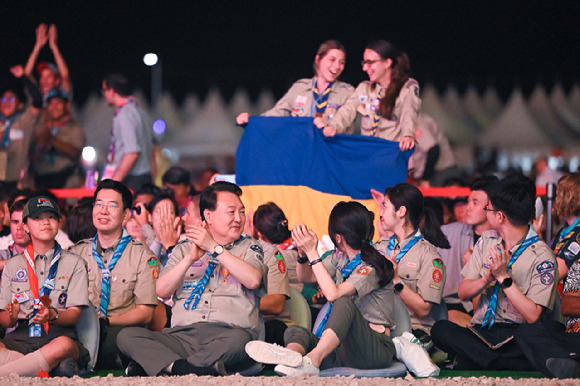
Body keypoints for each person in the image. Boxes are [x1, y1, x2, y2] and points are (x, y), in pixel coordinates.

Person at [117, 181, 266, 376]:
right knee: (127, 336)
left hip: (229, 334)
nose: (239, 218)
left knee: (242, 341)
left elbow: (253, 280)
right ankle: (192, 368)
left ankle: (165, 366)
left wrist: (214, 248)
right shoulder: (184, 248)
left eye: (241, 211)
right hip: (181, 338)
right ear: (208, 215)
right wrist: (189, 259)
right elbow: (161, 290)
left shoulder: (250, 247)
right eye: (231, 212)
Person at [246, 201, 396, 376]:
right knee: (295, 331)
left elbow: (333, 294)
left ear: (338, 237)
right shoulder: (339, 257)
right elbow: (307, 278)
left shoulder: (372, 265)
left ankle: (312, 361)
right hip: (342, 348)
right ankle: (291, 356)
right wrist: (303, 254)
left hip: (374, 350)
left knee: (343, 302)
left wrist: (313, 252)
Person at [431, 175, 558, 371]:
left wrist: (504, 278)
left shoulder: (541, 255)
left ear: (500, 216)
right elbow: (463, 292)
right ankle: (508, 363)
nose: (485, 212)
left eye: (487, 208)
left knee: (540, 335)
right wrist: (486, 278)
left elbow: (533, 316)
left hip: (519, 333)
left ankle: (476, 360)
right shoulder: (487, 240)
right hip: (483, 331)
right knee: (441, 330)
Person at [69, 179, 158, 370]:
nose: (103, 211)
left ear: (126, 214)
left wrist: (105, 321)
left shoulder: (142, 255)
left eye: (112, 206)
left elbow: (146, 313)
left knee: (124, 340)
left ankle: (77, 361)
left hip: (118, 329)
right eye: (99, 204)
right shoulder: (76, 253)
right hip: (81, 327)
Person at [0, 196, 89, 377]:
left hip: (58, 336)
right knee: (63, 367)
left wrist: (52, 315)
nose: (45, 222)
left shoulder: (75, 263)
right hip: (22, 336)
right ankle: (44, 369)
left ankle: (21, 370)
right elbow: (4, 320)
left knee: (64, 345)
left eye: (51, 217)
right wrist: (11, 316)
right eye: (38, 218)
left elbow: (74, 315)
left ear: (58, 222)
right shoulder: (12, 265)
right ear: (25, 226)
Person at [374, 183, 449, 338]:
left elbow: (423, 309)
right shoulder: (380, 248)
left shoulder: (429, 256)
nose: (380, 213)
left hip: (412, 332)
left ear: (401, 211)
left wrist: (396, 280)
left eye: (385, 207)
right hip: (378, 326)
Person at [318, 40, 420, 151]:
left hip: (390, 154)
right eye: (364, 63)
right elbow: (347, 110)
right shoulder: (364, 88)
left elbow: (408, 112)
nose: (365, 68)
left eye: (370, 62)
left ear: (387, 63)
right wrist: (333, 126)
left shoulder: (407, 87)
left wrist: (408, 135)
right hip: (367, 152)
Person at [236, 40, 353, 126]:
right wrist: (251, 122)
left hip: (329, 155)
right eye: (332, 60)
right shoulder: (300, 88)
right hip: (302, 152)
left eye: (342, 62)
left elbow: (345, 121)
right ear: (318, 60)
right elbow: (277, 114)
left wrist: (330, 125)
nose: (337, 66)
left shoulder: (347, 93)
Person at [437, 176, 499, 327]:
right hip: (452, 304)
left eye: (475, 202)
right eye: (468, 201)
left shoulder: (502, 240)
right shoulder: (447, 233)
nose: (467, 207)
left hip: (489, 309)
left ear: (491, 206)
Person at [101, 73, 152, 191]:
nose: (104, 94)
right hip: (144, 175)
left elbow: (132, 153)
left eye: (104, 90)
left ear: (112, 91)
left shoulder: (124, 114)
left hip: (132, 178)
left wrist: (112, 184)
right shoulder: (139, 111)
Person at [30, 88, 84, 189]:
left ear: (66, 105)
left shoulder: (75, 128)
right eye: (50, 104)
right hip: (41, 182)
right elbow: (30, 155)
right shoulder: (40, 127)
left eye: (58, 103)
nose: (54, 107)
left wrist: (51, 140)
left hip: (66, 181)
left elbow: (76, 153)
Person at [23, 24, 72, 101]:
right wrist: (38, 46)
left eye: (49, 77)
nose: (44, 80)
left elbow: (65, 76)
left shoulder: (61, 95)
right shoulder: (36, 95)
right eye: (42, 76)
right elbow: (27, 74)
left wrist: (54, 46)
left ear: (57, 81)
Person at [550, 172, 580, 282]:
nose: (555, 200)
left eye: (557, 195)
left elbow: (553, 275)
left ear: (569, 199)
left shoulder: (578, 234)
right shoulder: (566, 229)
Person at [0, 199, 31, 271]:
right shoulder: (3, 255)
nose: (19, 228)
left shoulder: (48, 255)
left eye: (25, 222)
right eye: (15, 222)